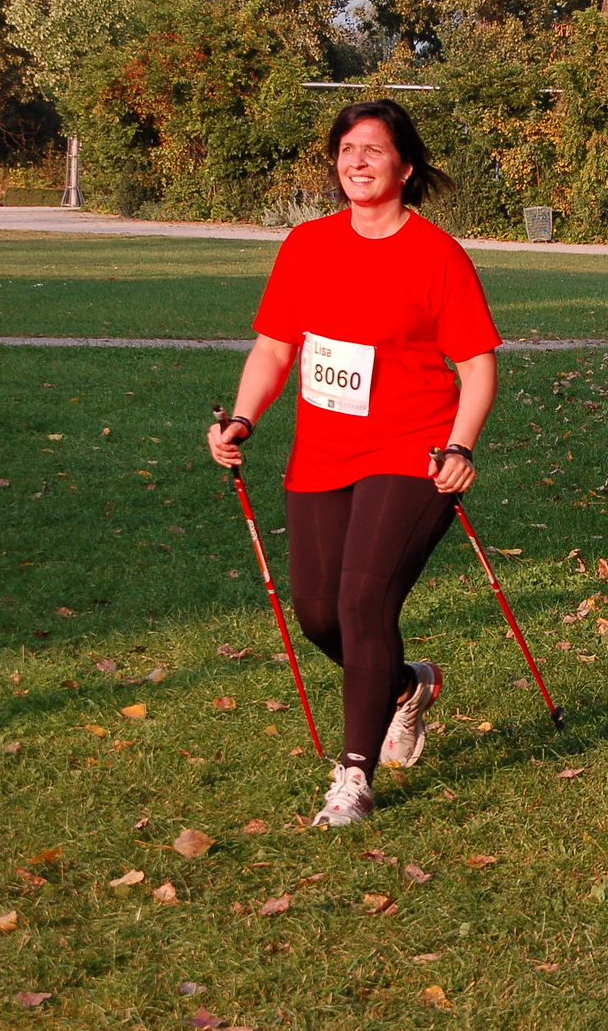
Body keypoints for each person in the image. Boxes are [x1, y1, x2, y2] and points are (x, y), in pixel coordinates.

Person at [205, 99, 501, 828]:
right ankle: (406, 685)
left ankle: (354, 777)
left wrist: (460, 446)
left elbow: (478, 364)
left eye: (374, 149)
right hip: (324, 453)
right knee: (318, 612)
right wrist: (243, 415)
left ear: (404, 166)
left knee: (365, 602)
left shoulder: (436, 254)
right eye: (347, 149)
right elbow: (276, 348)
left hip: (413, 448)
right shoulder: (307, 245)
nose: (357, 160)